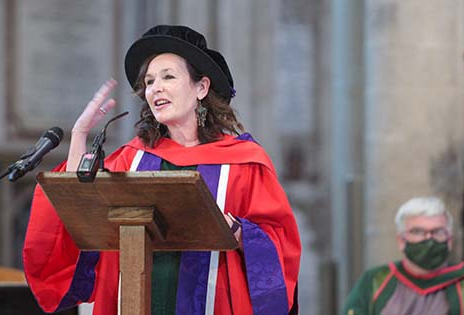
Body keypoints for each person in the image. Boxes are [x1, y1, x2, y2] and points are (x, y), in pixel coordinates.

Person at [22, 25, 301, 315]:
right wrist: (79, 134)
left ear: (201, 87)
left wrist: (242, 234)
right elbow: (76, 205)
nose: (155, 88)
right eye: (150, 81)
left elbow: (280, 244)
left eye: (168, 77)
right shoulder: (132, 160)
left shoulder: (243, 162)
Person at [342, 196, 464, 315]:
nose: (428, 240)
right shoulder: (375, 281)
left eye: (437, 231)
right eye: (417, 231)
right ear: (401, 241)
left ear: (450, 240)